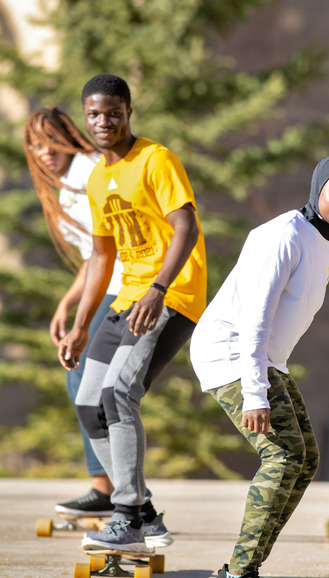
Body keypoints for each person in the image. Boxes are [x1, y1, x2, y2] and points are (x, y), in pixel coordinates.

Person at [190, 154, 329, 578]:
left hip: (266, 358)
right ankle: (239, 571)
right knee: (283, 456)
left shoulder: (319, 242)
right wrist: (254, 391)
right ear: (318, 189)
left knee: (305, 460)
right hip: (231, 352)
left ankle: (244, 568)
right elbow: (256, 316)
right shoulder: (284, 235)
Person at [57, 73, 207, 553]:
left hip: (172, 295)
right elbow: (101, 257)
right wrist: (81, 326)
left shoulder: (156, 160)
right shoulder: (99, 178)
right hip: (127, 298)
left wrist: (160, 289)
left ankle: (126, 517)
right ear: (87, 117)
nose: (105, 121)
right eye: (95, 114)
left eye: (113, 112)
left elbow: (186, 226)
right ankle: (141, 511)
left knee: (120, 394)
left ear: (128, 112)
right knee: (87, 399)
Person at [24, 106, 122, 517]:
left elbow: (111, 248)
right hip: (107, 285)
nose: (44, 151)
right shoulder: (65, 188)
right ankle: (109, 487)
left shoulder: (90, 168)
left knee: (87, 378)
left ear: (66, 136)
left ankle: (117, 491)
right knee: (82, 379)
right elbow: (91, 260)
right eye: (35, 144)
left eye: (50, 141)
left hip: (129, 285)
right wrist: (65, 306)